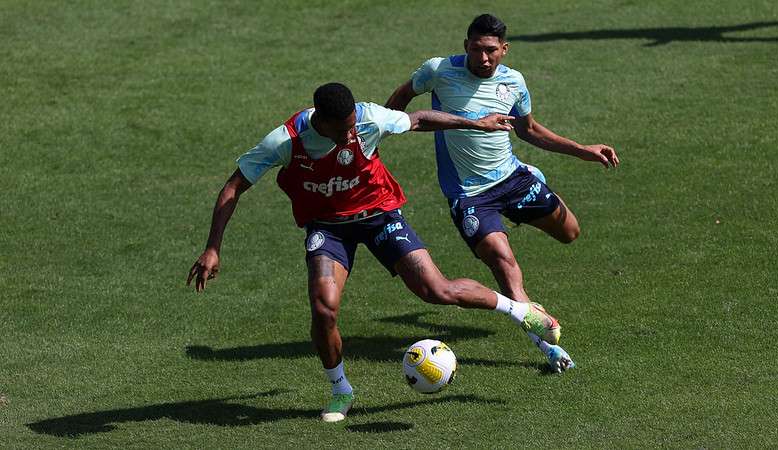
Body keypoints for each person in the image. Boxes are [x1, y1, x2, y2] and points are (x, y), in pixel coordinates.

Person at [187, 82, 574, 423]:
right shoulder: (285, 142)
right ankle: (341, 390)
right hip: (328, 228)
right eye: (342, 130)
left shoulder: (369, 118)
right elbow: (232, 188)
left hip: (380, 216)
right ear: (319, 120)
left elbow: (420, 118)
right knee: (324, 309)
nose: (351, 133)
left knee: (435, 291)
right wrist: (212, 248)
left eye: (353, 124)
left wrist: (476, 123)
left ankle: (522, 312)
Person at [385, 14, 619, 324]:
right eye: (477, 49)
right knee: (502, 260)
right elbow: (403, 96)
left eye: (491, 50)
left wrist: (581, 150)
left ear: (504, 49)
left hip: (512, 178)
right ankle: (543, 335)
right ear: (466, 45)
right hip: (470, 195)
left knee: (570, 233)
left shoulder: (513, 82)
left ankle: (529, 182)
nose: (483, 58)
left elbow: (529, 130)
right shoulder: (439, 71)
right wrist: (381, 132)